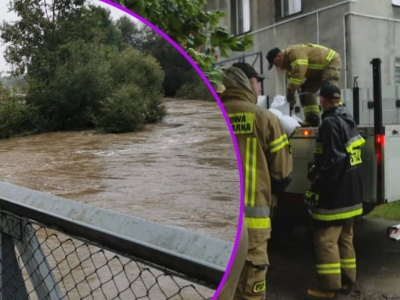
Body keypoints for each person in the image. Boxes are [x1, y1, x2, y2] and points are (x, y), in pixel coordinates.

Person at [219, 62, 293, 300]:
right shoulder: (265, 118)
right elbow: (283, 173)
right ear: (245, 83)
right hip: (253, 224)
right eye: (257, 81)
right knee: (250, 288)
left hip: (217, 222)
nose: (260, 87)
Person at [304, 84, 365, 300]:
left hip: (335, 195)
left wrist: (316, 187)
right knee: (345, 238)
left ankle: (329, 289)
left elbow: (334, 162)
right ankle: (348, 281)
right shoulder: (348, 118)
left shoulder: (330, 122)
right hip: (352, 192)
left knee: (325, 240)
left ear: (322, 100)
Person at [266, 44, 342, 127]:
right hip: (317, 71)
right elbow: (292, 84)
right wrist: (291, 99)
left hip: (330, 61)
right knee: (305, 91)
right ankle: (312, 119)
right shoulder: (289, 65)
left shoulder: (293, 52)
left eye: (274, 63)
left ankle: (340, 117)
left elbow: (298, 74)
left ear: (278, 56)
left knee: (329, 89)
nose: (277, 66)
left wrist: (290, 94)